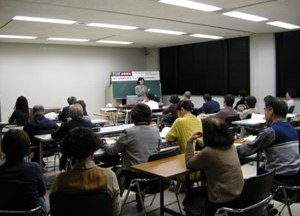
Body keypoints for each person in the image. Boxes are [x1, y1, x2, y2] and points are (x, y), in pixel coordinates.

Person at [100, 103, 160, 211]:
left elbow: (112, 151)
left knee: (113, 171)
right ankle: (139, 197)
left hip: (133, 176)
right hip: (152, 174)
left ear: (133, 117)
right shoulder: (156, 131)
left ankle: (114, 203)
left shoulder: (128, 132)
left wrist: (102, 143)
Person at [51, 127, 120, 216]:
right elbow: (116, 210)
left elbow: (56, 209)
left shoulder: (60, 180)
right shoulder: (108, 176)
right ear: (94, 150)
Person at [184, 118, 244, 215]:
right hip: (239, 195)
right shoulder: (232, 146)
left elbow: (189, 163)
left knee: (190, 197)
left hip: (221, 200)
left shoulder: (208, 152)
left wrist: (190, 141)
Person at [237, 97, 300, 189]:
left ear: (271, 110)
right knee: (262, 166)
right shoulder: (292, 129)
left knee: (254, 177)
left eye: (265, 110)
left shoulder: (271, 131)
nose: (264, 114)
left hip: (279, 180)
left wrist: (230, 149)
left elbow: (245, 151)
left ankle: (260, 198)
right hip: (295, 178)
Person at [0, 130, 48, 214]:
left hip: (5, 212)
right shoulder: (34, 167)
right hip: (32, 212)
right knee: (42, 200)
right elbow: (42, 191)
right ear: (27, 148)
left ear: (4, 148)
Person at [52, 103, 93, 170]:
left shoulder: (66, 125)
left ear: (70, 114)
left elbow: (55, 136)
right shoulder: (89, 123)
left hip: (71, 151)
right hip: (87, 149)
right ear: (82, 113)